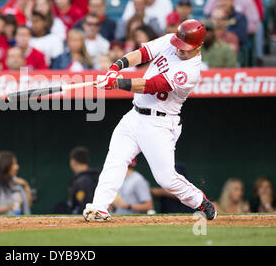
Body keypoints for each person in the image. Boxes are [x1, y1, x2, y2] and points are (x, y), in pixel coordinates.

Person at [83, 19, 218, 222]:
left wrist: (116, 83)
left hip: (159, 124)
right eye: (179, 45)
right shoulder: (171, 41)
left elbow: (152, 85)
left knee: (166, 179)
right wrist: (115, 67)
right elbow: (142, 54)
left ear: (198, 46)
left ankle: (199, 200)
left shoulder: (190, 71)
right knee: (115, 159)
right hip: (134, 115)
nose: (179, 50)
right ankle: (99, 207)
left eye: (185, 48)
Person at [0, 151, 32, 215]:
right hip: (3, 223)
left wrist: (26, 185)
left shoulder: (17, 182)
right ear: (5, 165)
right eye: (14, 164)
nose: (17, 167)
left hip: (21, 222)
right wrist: (9, 207)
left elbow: (28, 204)